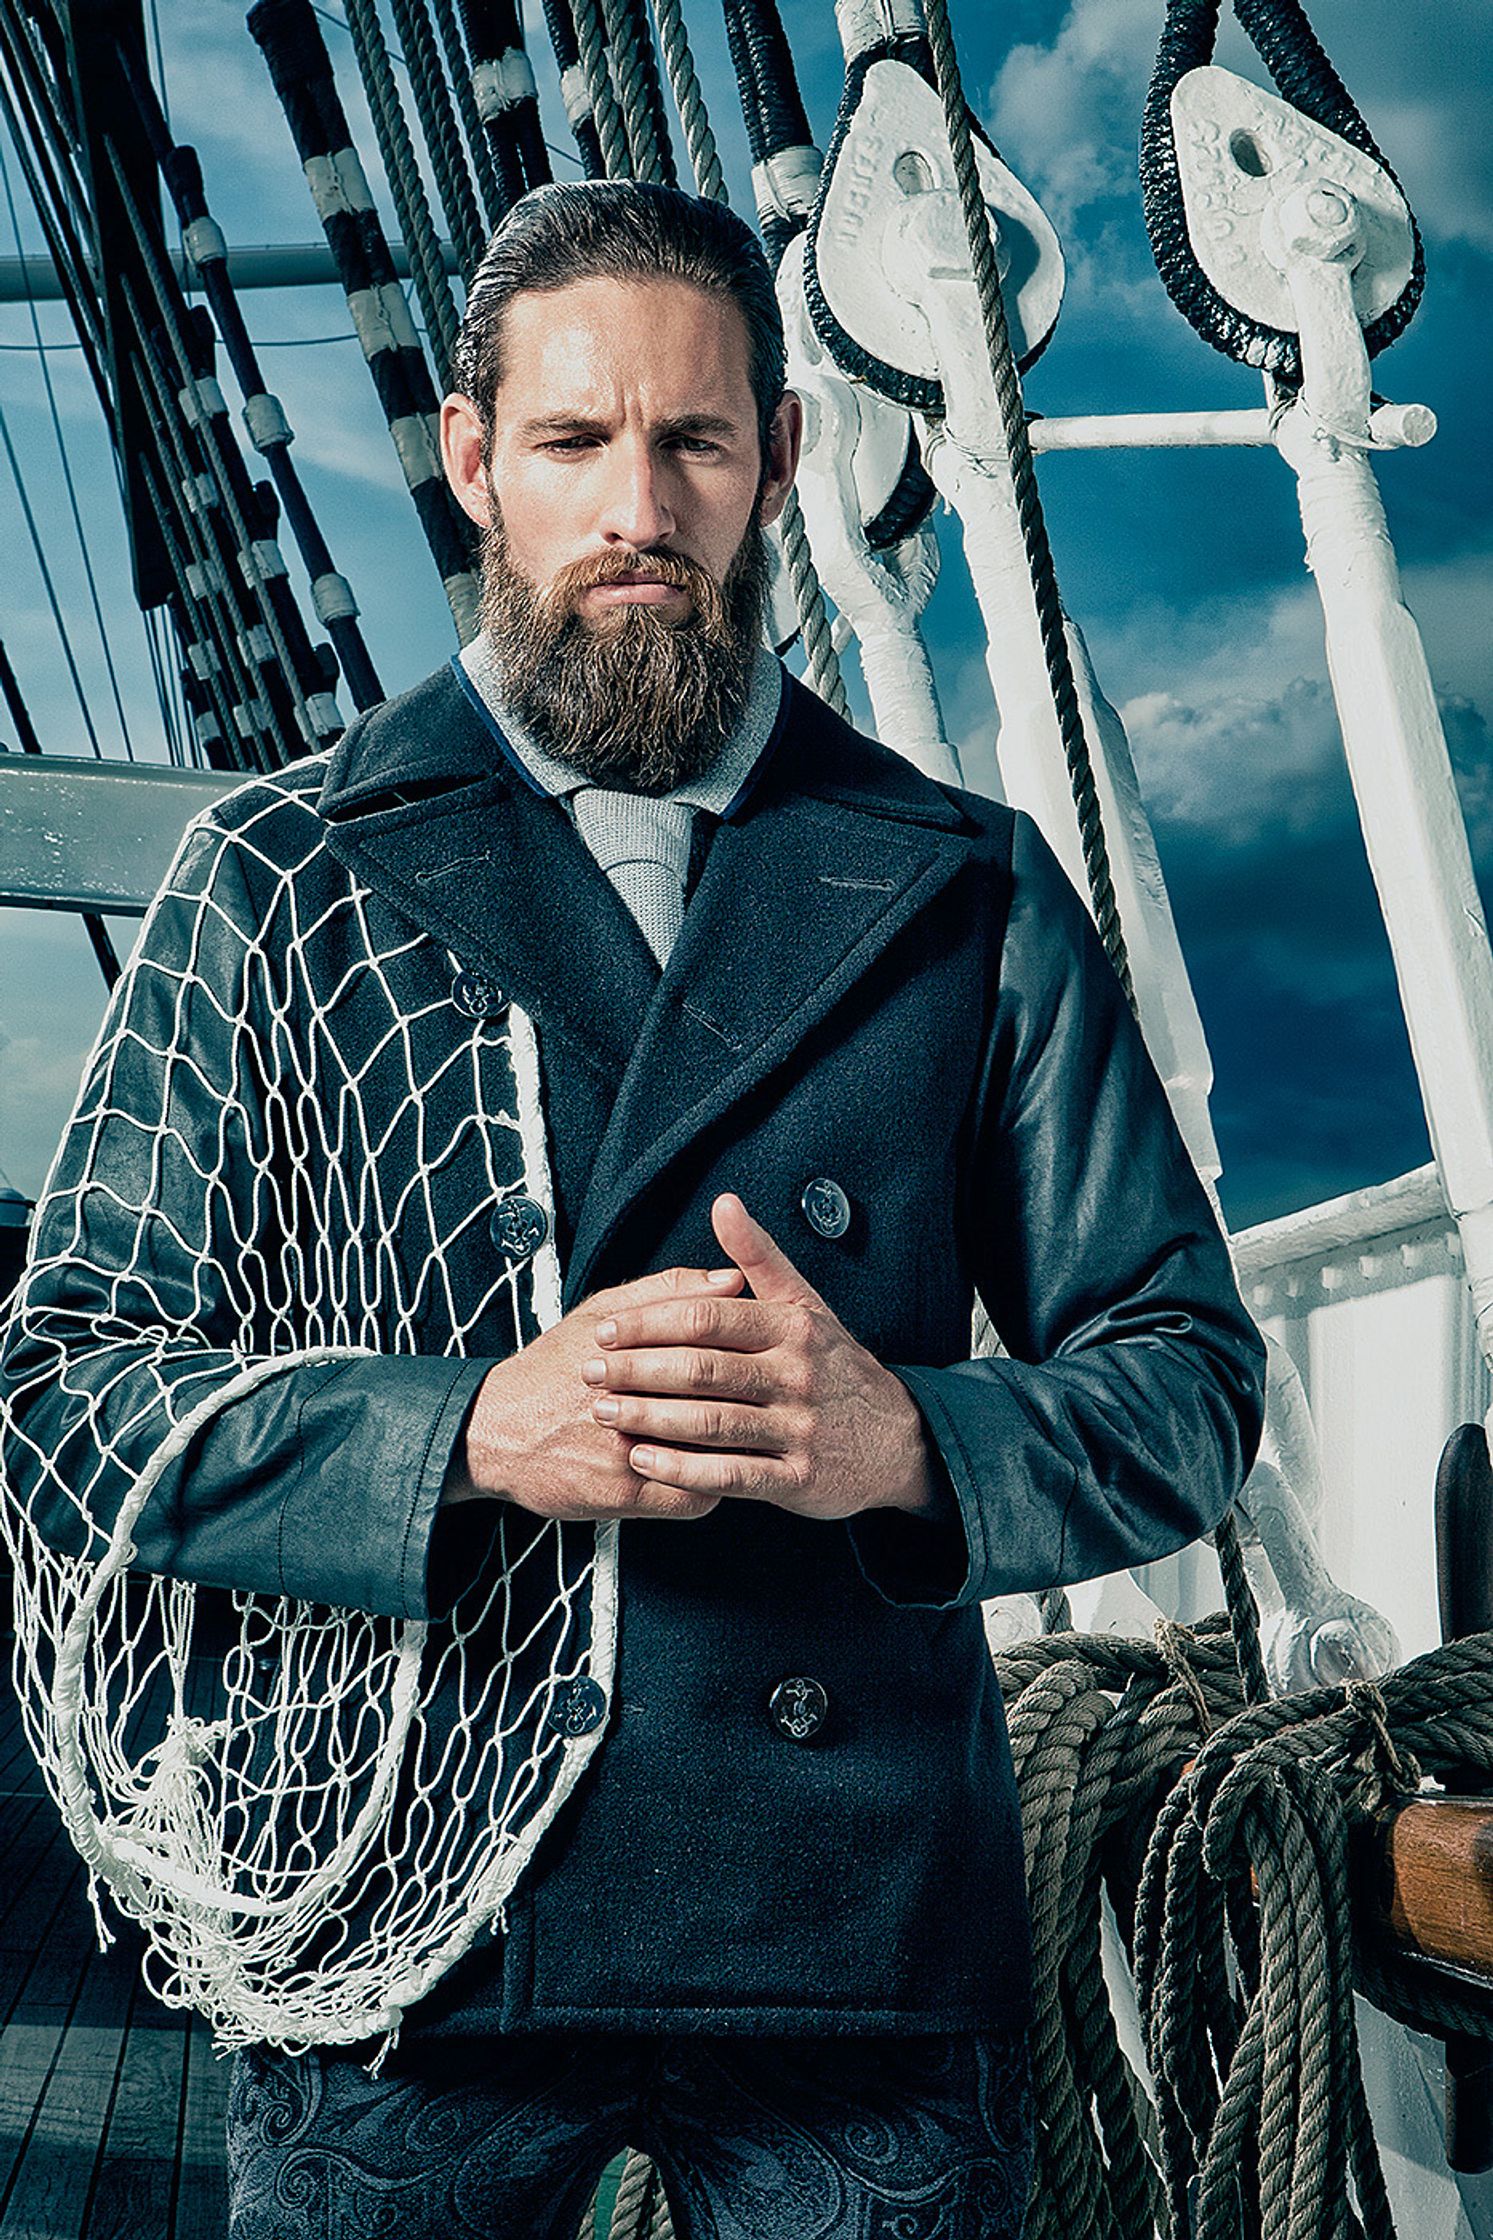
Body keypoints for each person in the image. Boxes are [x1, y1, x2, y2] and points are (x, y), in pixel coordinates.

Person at [0, 181, 1265, 2238]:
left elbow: (1189, 1383)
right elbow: (63, 1396)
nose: (636, 510)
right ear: (475, 461)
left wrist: (911, 1440)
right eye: (576, 443)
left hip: (847, 1942)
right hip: (401, 1933)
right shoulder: (277, 877)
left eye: (692, 441)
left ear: (775, 459)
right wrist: (470, 1432)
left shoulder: (966, 883)